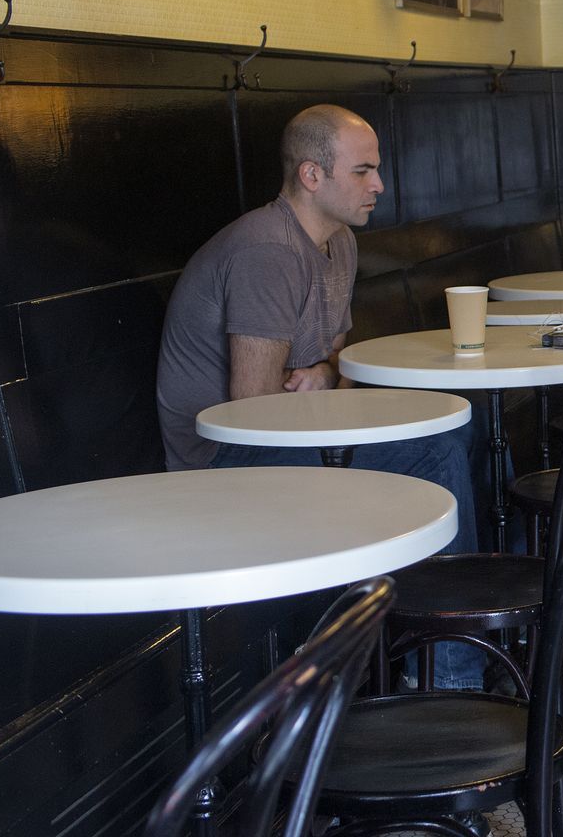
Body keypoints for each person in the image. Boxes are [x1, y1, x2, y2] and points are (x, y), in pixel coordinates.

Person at [155, 105, 485, 690]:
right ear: (312, 175)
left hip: (293, 434)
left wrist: (326, 375)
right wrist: (324, 379)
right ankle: (450, 679)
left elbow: (337, 366)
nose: (379, 185)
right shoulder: (268, 250)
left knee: (455, 429)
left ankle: (450, 643)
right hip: (218, 462)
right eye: (363, 171)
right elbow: (253, 410)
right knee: (435, 453)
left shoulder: (340, 242)